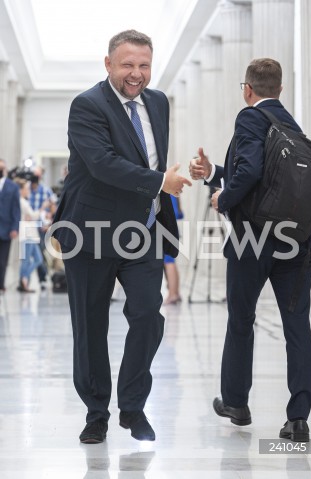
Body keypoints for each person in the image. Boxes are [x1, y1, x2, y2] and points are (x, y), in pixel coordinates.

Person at [52, 29, 191, 443]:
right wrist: (158, 182)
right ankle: (97, 412)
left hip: (142, 231)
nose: (136, 73)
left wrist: (172, 179)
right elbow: (101, 163)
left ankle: (132, 406)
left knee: (148, 315)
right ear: (108, 64)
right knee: (90, 326)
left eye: (144, 65)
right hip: (90, 231)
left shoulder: (159, 102)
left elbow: (153, 157)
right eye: (127, 64)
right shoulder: (87, 105)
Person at [189, 58, 311, 442]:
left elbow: (250, 174)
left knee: (241, 319)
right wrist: (213, 173)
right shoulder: (291, 126)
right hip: (296, 239)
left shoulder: (249, 118)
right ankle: (298, 418)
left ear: (248, 89)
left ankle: (237, 403)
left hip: (252, 239)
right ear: (279, 89)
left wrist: (222, 198)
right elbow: (265, 175)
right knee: (297, 326)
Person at [14, 178, 48, 292]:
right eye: (26, 189)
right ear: (20, 190)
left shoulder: (24, 201)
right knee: (26, 260)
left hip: (31, 234)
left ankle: (23, 279)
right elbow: (33, 216)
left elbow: (31, 217)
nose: (28, 191)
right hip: (27, 234)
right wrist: (43, 207)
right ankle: (23, 282)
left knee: (38, 259)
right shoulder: (21, 201)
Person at [29, 166, 57, 290]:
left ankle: (42, 278)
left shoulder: (46, 191)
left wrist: (50, 221)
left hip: (41, 228)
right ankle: (36, 277)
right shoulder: (26, 189)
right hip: (28, 227)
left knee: (40, 252)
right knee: (32, 254)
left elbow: (54, 206)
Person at [0, 159, 20, 293]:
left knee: (2, 260)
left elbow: (16, 209)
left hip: (5, 229)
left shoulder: (12, 187)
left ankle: (1, 284)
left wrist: (14, 228)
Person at [163, 195, 183, 305]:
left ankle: (172, 294)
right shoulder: (174, 194)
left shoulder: (168, 193)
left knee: (168, 262)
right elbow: (180, 214)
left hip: (167, 229)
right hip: (171, 229)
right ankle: (175, 292)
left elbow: (174, 213)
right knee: (171, 262)